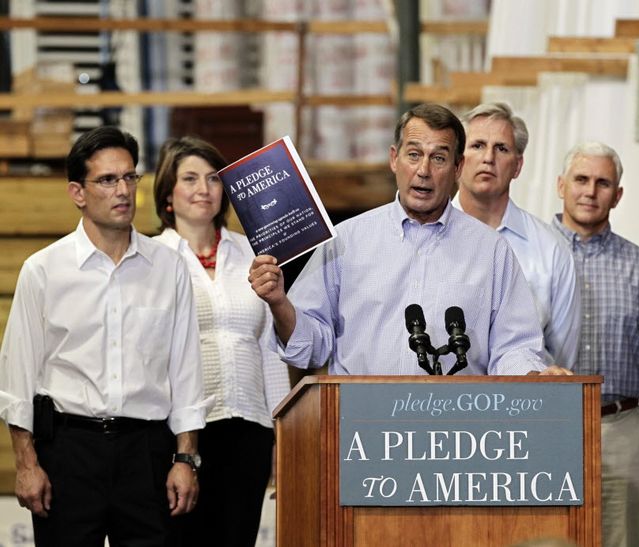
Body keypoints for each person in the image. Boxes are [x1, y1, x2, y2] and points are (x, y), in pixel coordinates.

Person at [0, 126, 207, 546]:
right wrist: (26, 464)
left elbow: (186, 371)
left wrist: (186, 458)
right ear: (78, 192)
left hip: (146, 451)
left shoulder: (168, 267)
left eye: (129, 177)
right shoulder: (44, 271)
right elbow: (17, 378)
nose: (123, 191)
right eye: (107, 180)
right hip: (68, 451)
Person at [249, 103, 563, 375]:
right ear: (393, 159)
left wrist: (537, 374)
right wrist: (279, 302)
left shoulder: (491, 250)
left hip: (456, 426)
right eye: (414, 155)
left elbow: (513, 347)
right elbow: (310, 348)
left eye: (439, 159)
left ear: (457, 168)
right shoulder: (346, 240)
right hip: (361, 425)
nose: (423, 170)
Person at [152, 136, 291, 547]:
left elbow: (270, 351)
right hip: (177, 433)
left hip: (248, 429)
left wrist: (282, 436)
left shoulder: (254, 254)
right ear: (168, 195)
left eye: (213, 178)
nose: (203, 188)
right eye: (189, 178)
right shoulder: (151, 259)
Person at [553, 141, 639, 547]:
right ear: (561, 186)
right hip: (545, 425)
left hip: (623, 429)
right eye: (581, 180)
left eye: (602, 182)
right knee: (542, 538)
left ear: (618, 194)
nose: (590, 191)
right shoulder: (530, 256)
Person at [453, 102, 580, 368]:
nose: (488, 158)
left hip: (523, 405)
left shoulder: (551, 249)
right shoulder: (424, 239)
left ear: (518, 166)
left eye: (501, 148)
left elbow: (560, 358)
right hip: (438, 402)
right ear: (458, 159)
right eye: (477, 145)